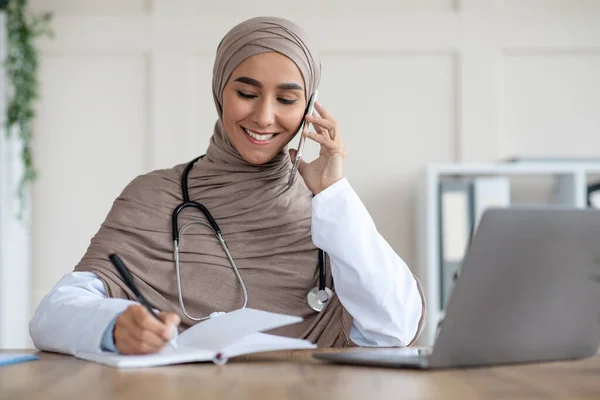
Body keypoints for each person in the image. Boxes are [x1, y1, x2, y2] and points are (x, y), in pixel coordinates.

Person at [29, 16, 425, 356]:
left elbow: (395, 326)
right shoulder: (153, 196)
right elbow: (53, 314)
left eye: (287, 100)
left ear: (308, 108)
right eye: (247, 94)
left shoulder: (327, 207)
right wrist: (114, 326)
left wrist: (333, 191)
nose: (265, 116)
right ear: (221, 90)